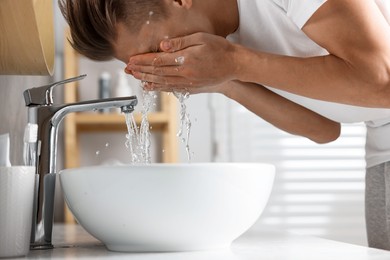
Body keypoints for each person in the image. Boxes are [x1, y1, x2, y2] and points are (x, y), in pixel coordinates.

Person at [59, 0, 390, 250]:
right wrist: (226, 82)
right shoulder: (226, 40)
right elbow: (322, 129)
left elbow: (382, 83)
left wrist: (235, 62)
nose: (158, 64)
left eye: (152, 50)